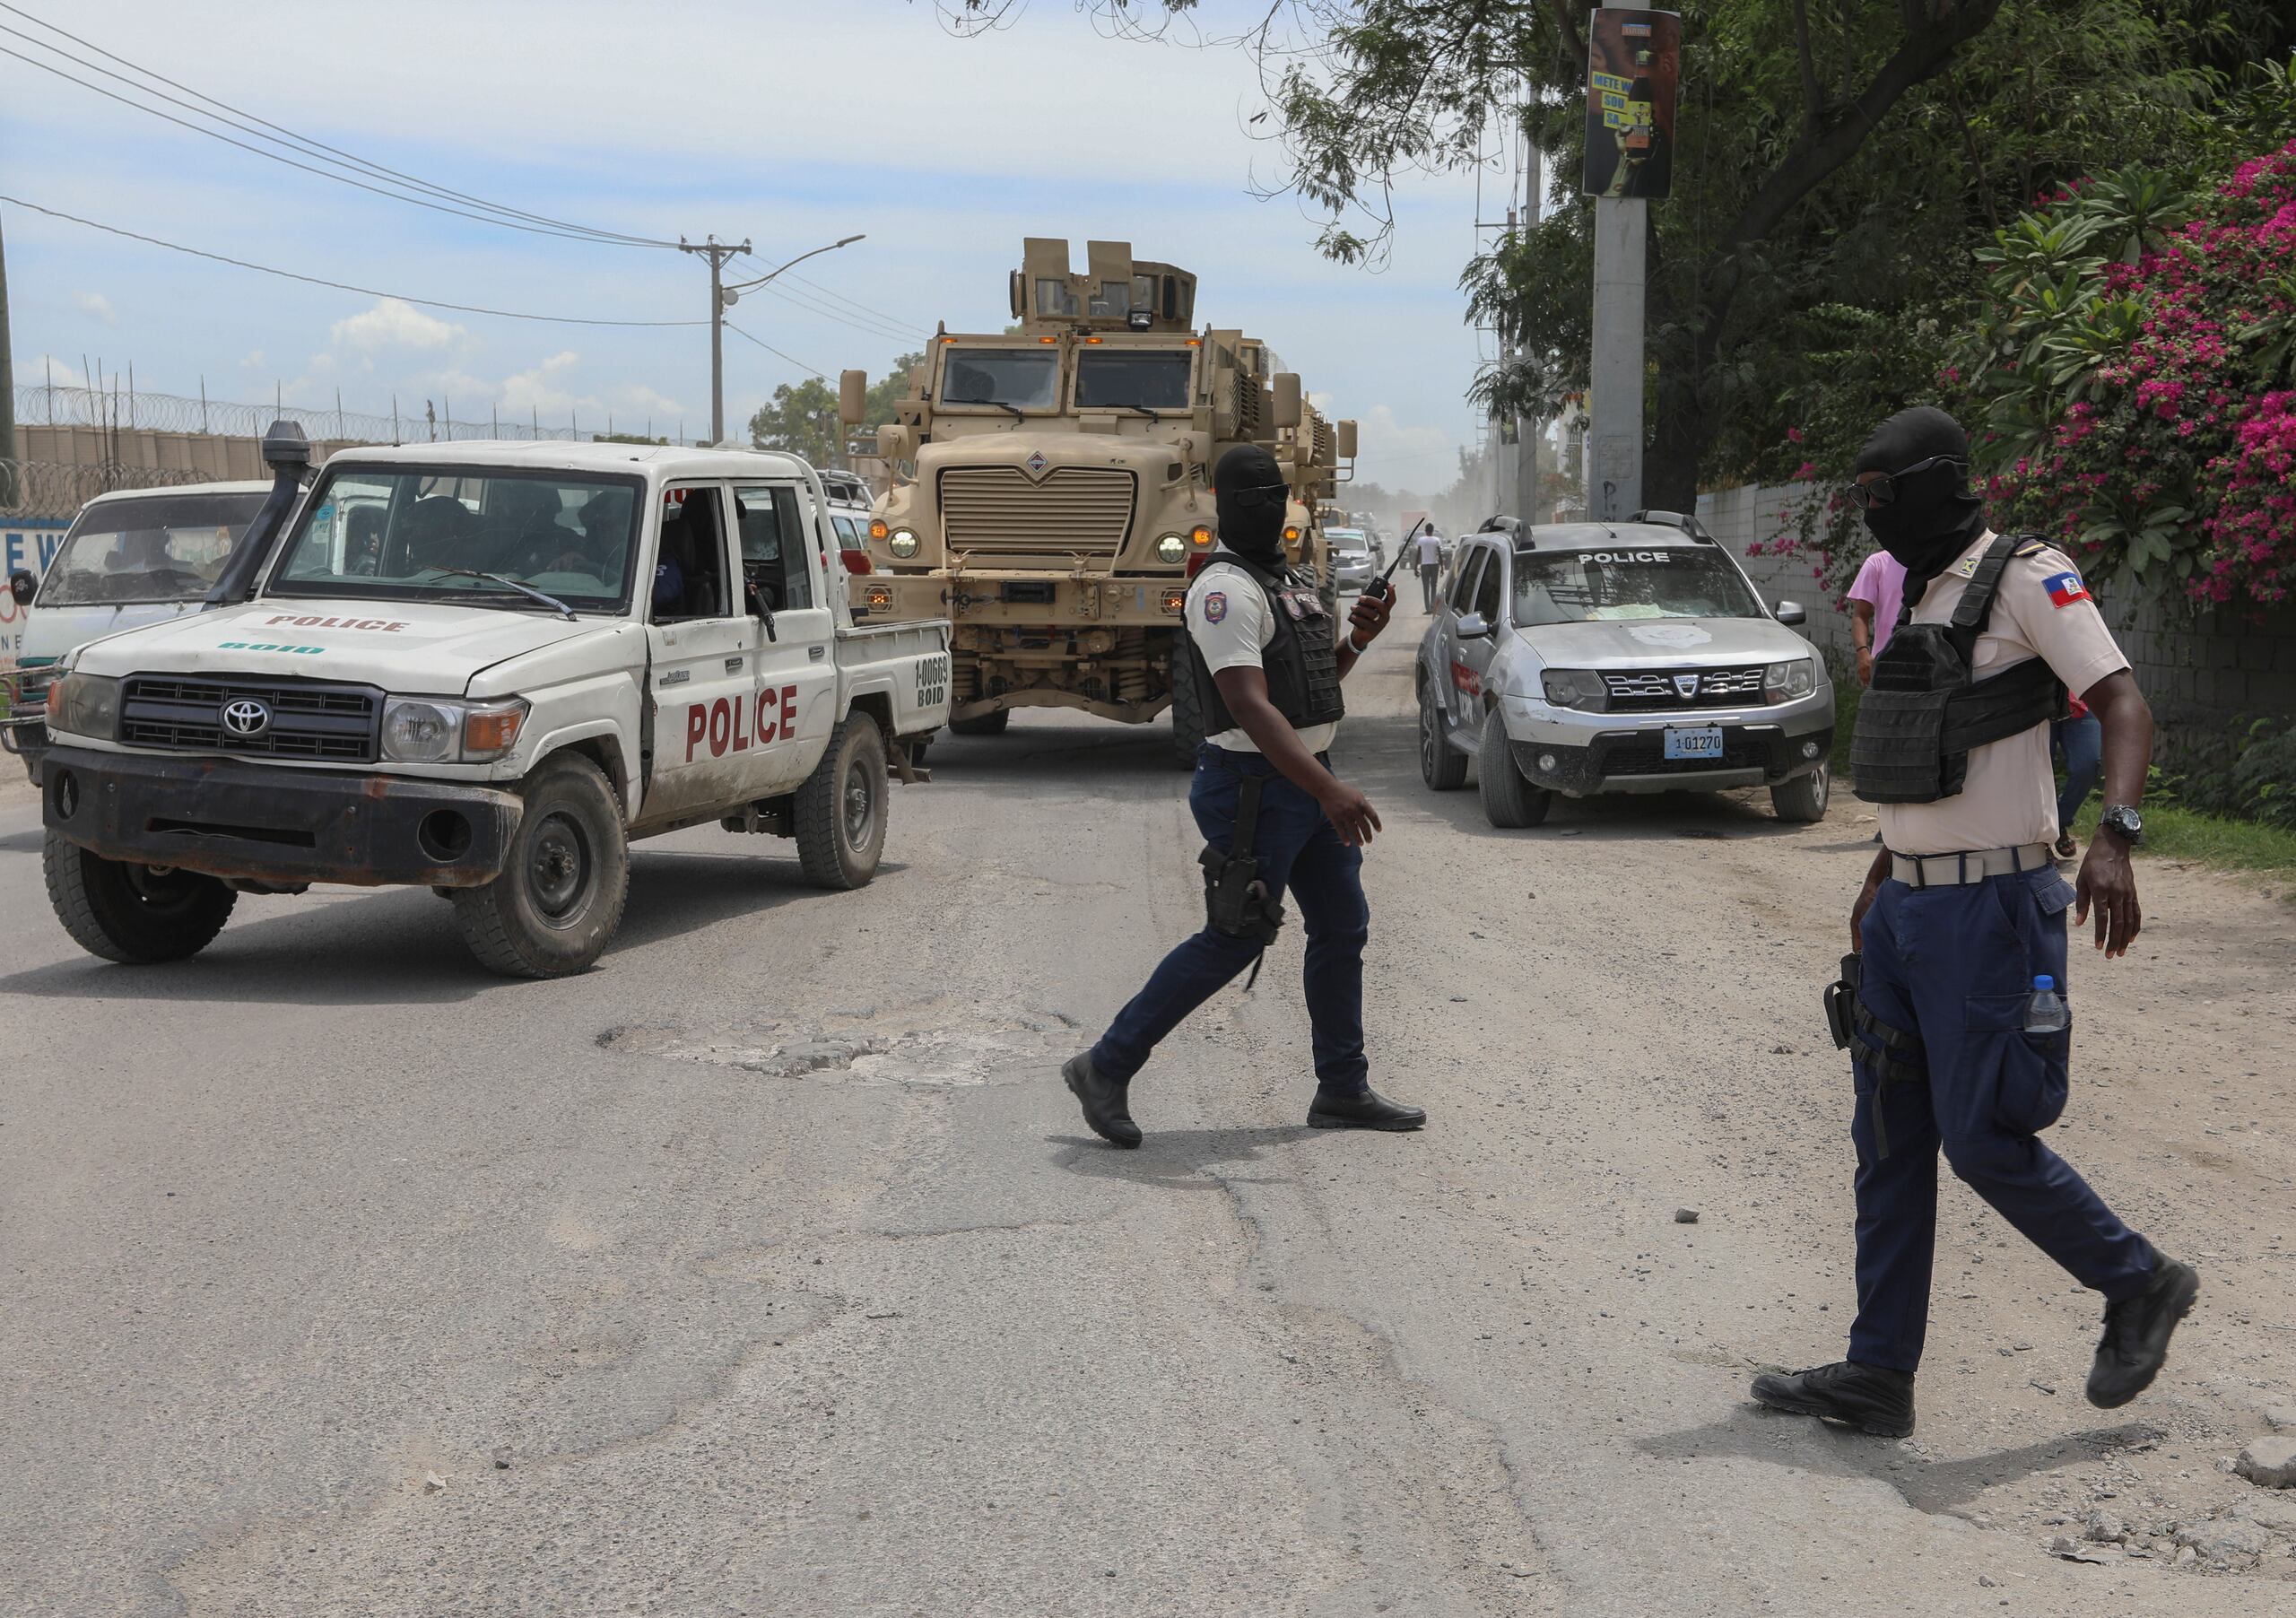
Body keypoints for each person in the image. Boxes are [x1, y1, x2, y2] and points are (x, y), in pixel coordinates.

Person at [1752, 405, 2196, 1439]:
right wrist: (1878, 879)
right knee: (1888, 1140)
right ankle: (1876, 1375)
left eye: (1884, 495)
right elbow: (1921, 755)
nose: (1874, 516)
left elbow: (2122, 704)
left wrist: (2116, 837)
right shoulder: (1911, 587)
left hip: (1992, 909)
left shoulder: (2030, 576)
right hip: (1907, 906)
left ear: (1941, 483)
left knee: (1984, 1136)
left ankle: (2138, 1280)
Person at [1061, 444, 1425, 1148]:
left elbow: (1310, 689)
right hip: (1256, 789)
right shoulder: (1223, 591)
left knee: (1342, 926)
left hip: (1304, 781)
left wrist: (1357, 639)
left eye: (1274, 496)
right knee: (1235, 938)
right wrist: (1330, 790)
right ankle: (1104, 1066)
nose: (1265, 509)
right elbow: (1251, 707)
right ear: (1225, 509)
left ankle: (1342, 1087)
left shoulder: (1286, 582)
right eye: (1249, 499)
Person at [1845, 548, 1906, 688]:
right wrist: (1862, 652)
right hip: (1884, 664)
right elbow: (1860, 615)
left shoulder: (1934, 562)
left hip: (1924, 664)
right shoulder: (1877, 563)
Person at [2051, 698, 2104, 861]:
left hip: (2081, 698)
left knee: (2087, 764)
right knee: (2038, 768)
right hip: (2037, 699)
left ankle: (2058, 821)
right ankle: (2040, 840)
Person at [1415, 521, 1445, 612]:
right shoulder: (1436, 540)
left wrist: (1415, 568)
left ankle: (1427, 608)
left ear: (1425, 530)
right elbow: (1439, 554)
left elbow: (1418, 554)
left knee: (1426, 587)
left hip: (1424, 565)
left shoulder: (1421, 540)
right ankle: (1432, 605)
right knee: (1433, 586)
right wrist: (1442, 567)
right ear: (1432, 531)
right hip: (1434, 565)